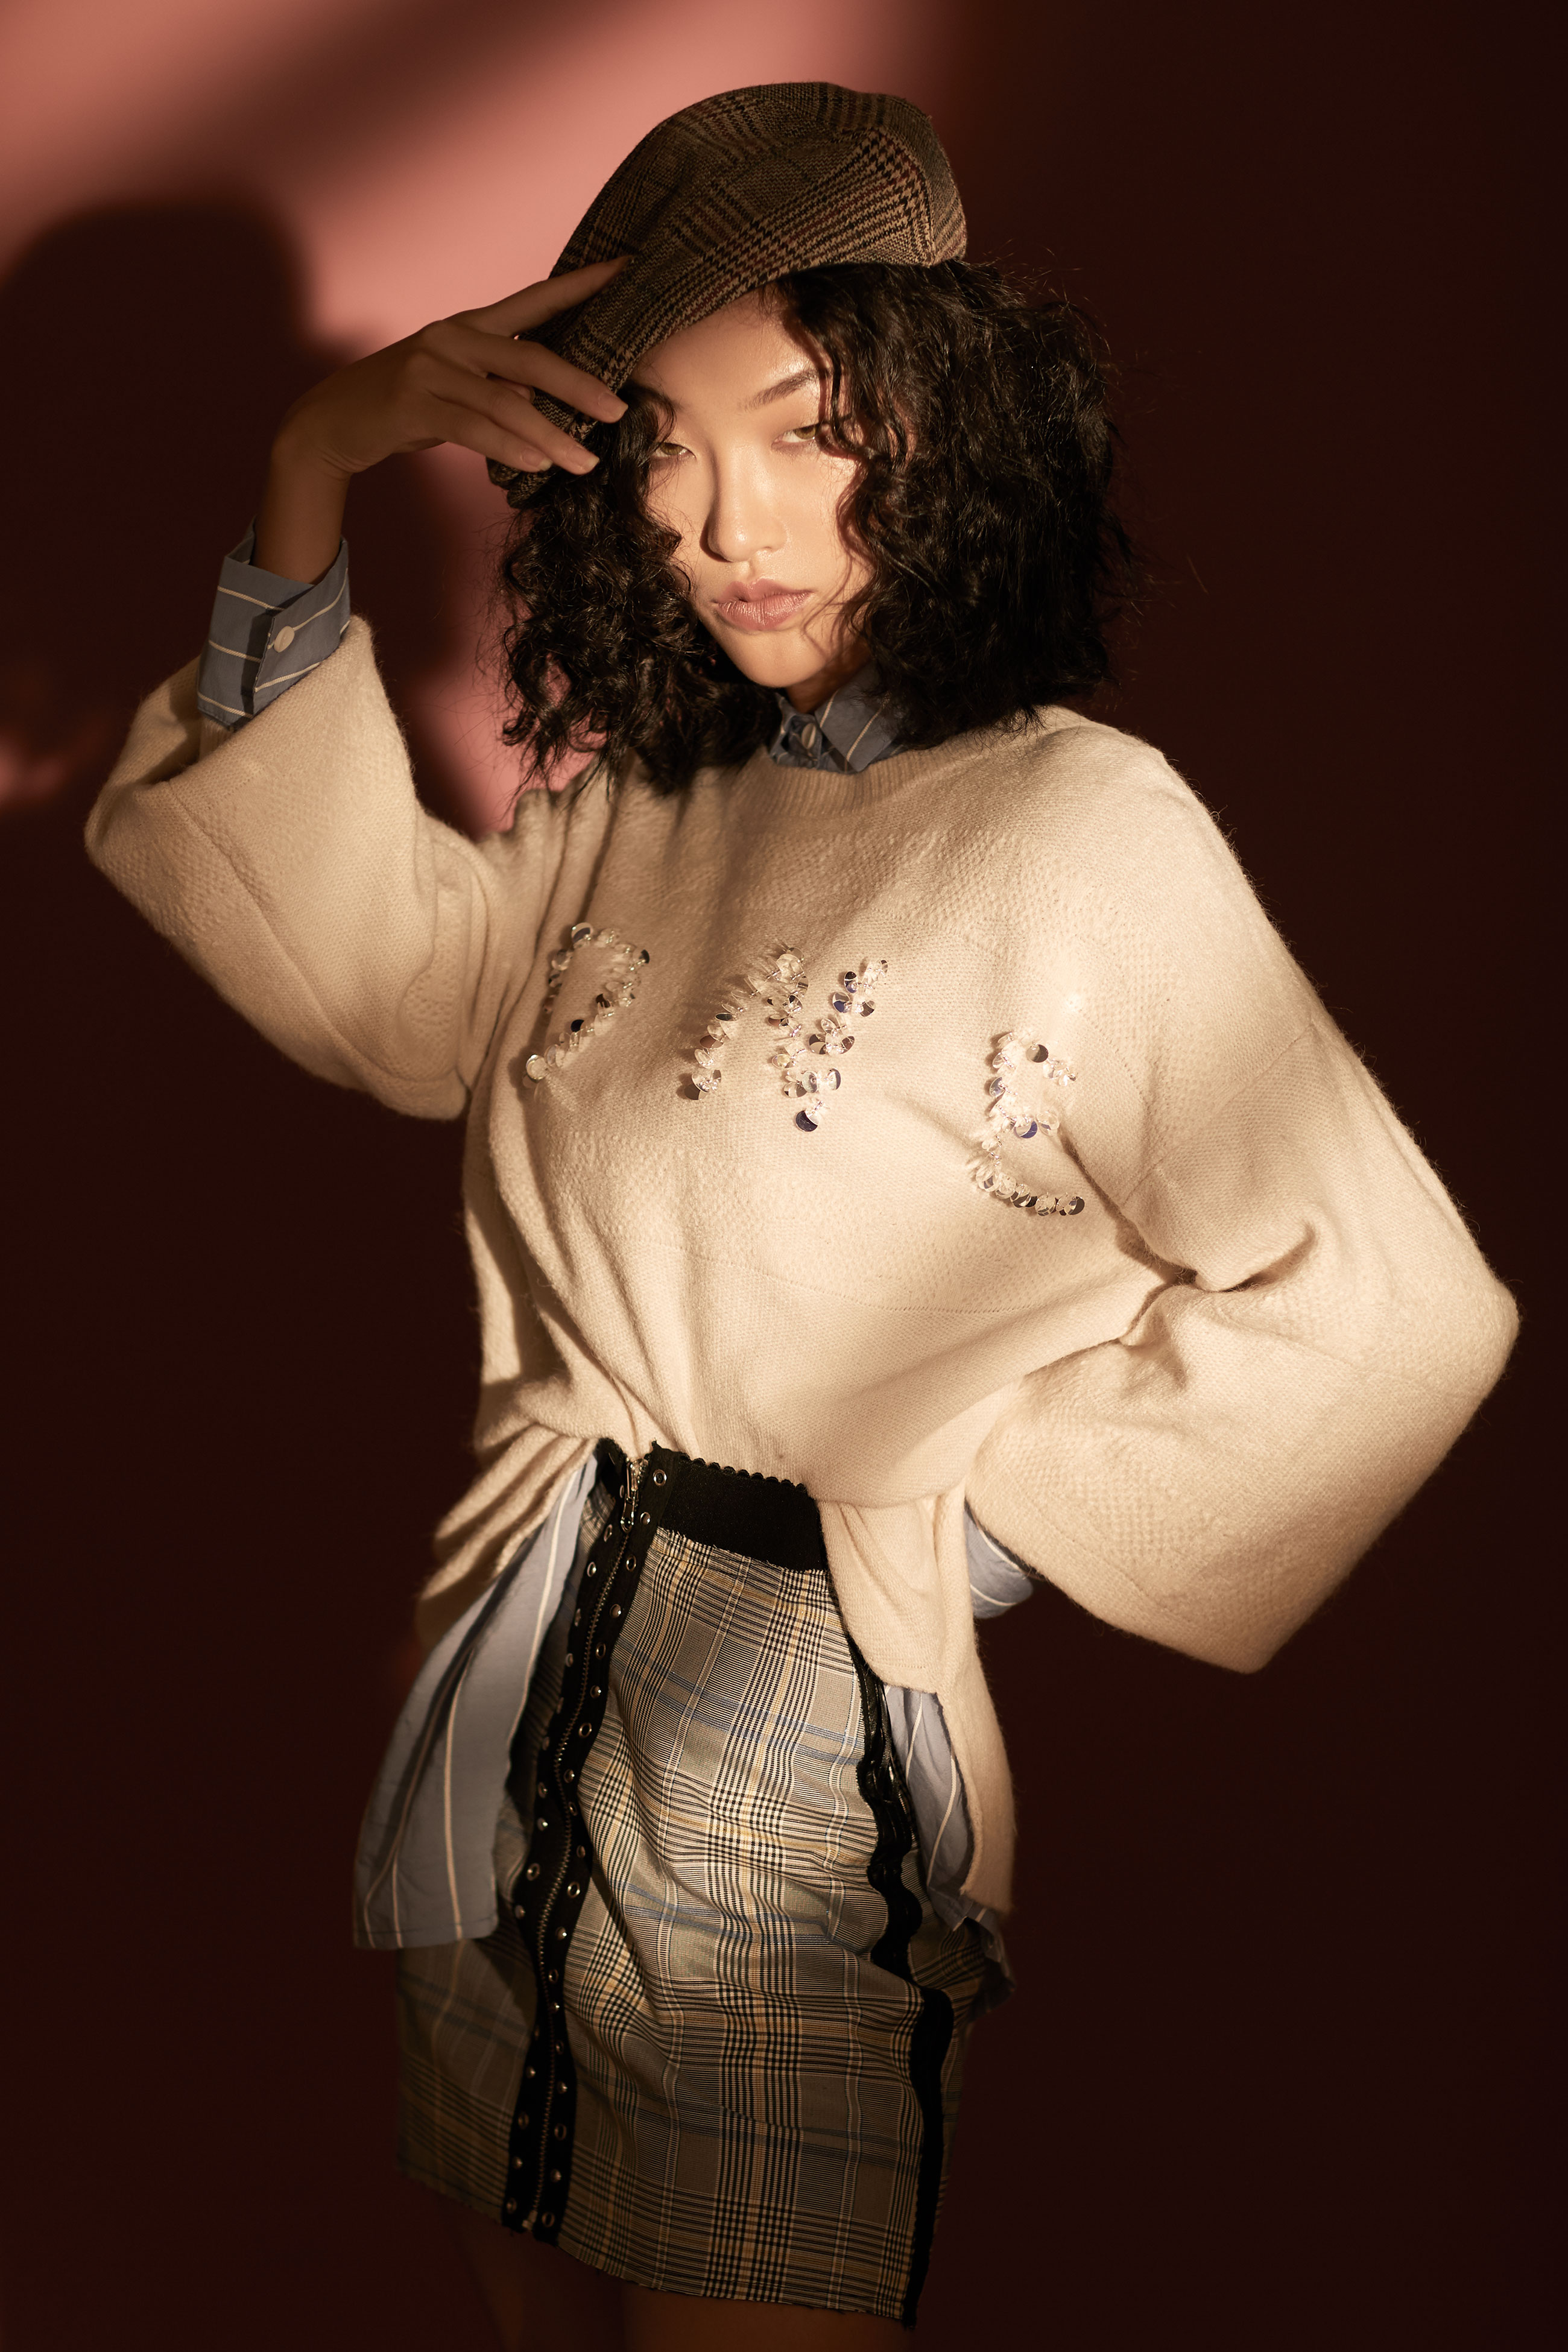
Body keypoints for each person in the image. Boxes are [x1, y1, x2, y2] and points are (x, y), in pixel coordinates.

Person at [85, 83, 1516, 2352]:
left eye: (809, 431)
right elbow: (381, 993)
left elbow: (1395, 1305)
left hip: (788, 1753)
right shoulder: (648, 800)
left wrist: (941, 1543)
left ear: (945, 432)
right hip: (509, 1684)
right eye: (661, 439)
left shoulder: (1081, 830)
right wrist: (311, 468)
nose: (718, 518)